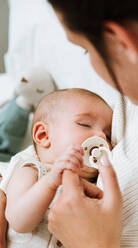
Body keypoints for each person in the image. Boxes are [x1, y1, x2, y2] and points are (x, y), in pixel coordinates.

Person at [46, 1, 138, 248]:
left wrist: (94, 243)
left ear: (122, 42)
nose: (101, 136)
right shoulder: (136, 105)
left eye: (85, 50)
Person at [4, 88, 116, 248]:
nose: (102, 137)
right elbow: (19, 222)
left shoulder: (96, 184)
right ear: (43, 135)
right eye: (84, 124)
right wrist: (50, 181)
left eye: (109, 135)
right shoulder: (31, 170)